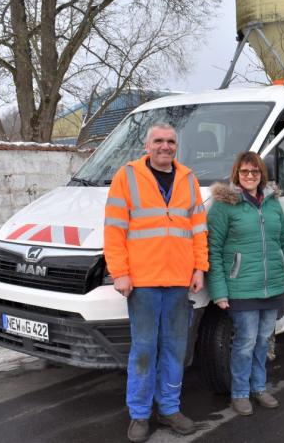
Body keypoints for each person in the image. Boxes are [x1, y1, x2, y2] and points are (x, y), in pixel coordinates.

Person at [104, 123, 208, 442]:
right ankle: (139, 414)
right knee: (145, 348)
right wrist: (119, 272)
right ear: (147, 146)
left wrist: (199, 268)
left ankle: (169, 408)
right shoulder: (128, 176)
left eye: (171, 141)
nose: (165, 146)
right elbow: (114, 229)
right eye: (159, 141)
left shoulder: (188, 178)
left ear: (177, 146)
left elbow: (198, 228)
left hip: (178, 279)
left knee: (175, 348)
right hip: (143, 281)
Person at [206, 151, 284, 416]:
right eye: (245, 172)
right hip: (241, 287)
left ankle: (259, 388)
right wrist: (219, 291)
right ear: (236, 174)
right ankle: (239, 393)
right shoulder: (225, 205)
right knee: (245, 342)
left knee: (263, 341)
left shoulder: (272, 203)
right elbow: (212, 249)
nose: (250, 176)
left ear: (262, 175)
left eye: (255, 172)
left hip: (271, 286)